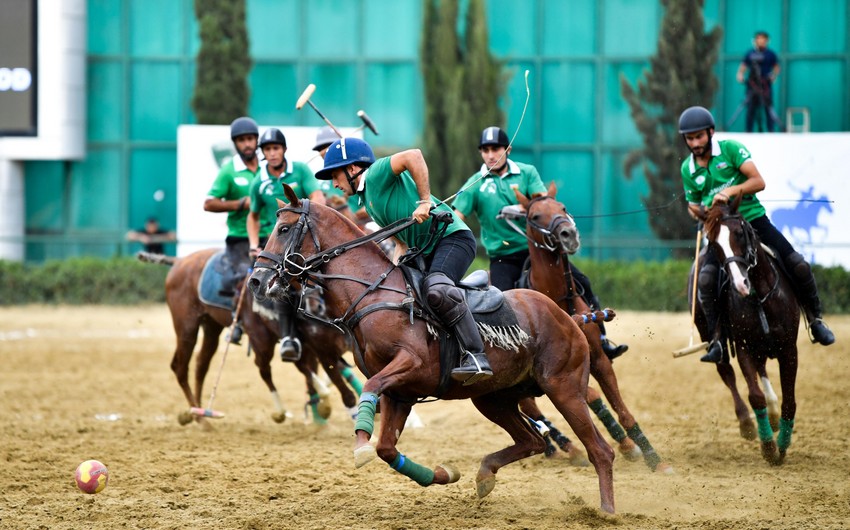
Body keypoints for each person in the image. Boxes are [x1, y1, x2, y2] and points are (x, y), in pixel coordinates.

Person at [315, 137, 492, 385]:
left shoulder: (375, 173)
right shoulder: (366, 199)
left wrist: (424, 201)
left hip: (453, 239)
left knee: (438, 288)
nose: (334, 184)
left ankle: (476, 356)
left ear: (352, 169)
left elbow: (414, 156)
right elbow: (401, 243)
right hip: (422, 249)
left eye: (335, 175)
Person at [453, 126, 628, 361]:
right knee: (501, 302)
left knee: (581, 282)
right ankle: (510, 357)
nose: (490, 155)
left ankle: (602, 340)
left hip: (536, 251)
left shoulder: (527, 173)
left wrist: (517, 209)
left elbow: (542, 203)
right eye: (485, 150)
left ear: (508, 150)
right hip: (503, 257)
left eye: (495, 149)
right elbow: (457, 216)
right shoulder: (474, 184)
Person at [678, 106, 834, 363]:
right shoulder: (688, 168)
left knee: (797, 263)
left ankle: (816, 320)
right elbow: (693, 202)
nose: (695, 143)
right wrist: (697, 212)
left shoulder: (730, 150)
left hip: (752, 221)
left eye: (699, 137)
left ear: (711, 132)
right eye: (690, 138)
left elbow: (758, 181)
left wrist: (729, 192)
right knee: (705, 280)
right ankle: (716, 340)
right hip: (718, 231)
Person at [247, 127, 325, 361]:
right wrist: (253, 244)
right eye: (267, 149)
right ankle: (288, 337)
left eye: (276, 148)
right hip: (275, 241)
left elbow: (318, 197)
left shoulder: (300, 170)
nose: (272, 153)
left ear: (284, 150)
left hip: (304, 237)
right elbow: (253, 215)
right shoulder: (259, 182)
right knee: (280, 278)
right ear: (263, 153)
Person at [203, 116, 262, 344]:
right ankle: (238, 323)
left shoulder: (270, 168)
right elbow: (209, 203)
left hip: (271, 234)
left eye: (250, 139)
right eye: (241, 140)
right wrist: (240, 204)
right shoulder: (229, 171)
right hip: (240, 239)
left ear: (257, 141)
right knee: (243, 277)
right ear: (235, 144)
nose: (247, 144)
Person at [736, 31, 781, 132]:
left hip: (765, 86)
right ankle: (748, 132)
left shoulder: (771, 54)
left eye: (763, 39)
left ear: (767, 41)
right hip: (752, 86)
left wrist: (773, 76)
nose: (761, 41)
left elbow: (776, 67)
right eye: (758, 39)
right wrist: (740, 75)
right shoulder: (750, 53)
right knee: (750, 109)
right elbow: (743, 66)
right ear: (755, 41)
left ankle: (771, 131)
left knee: (768, 109)